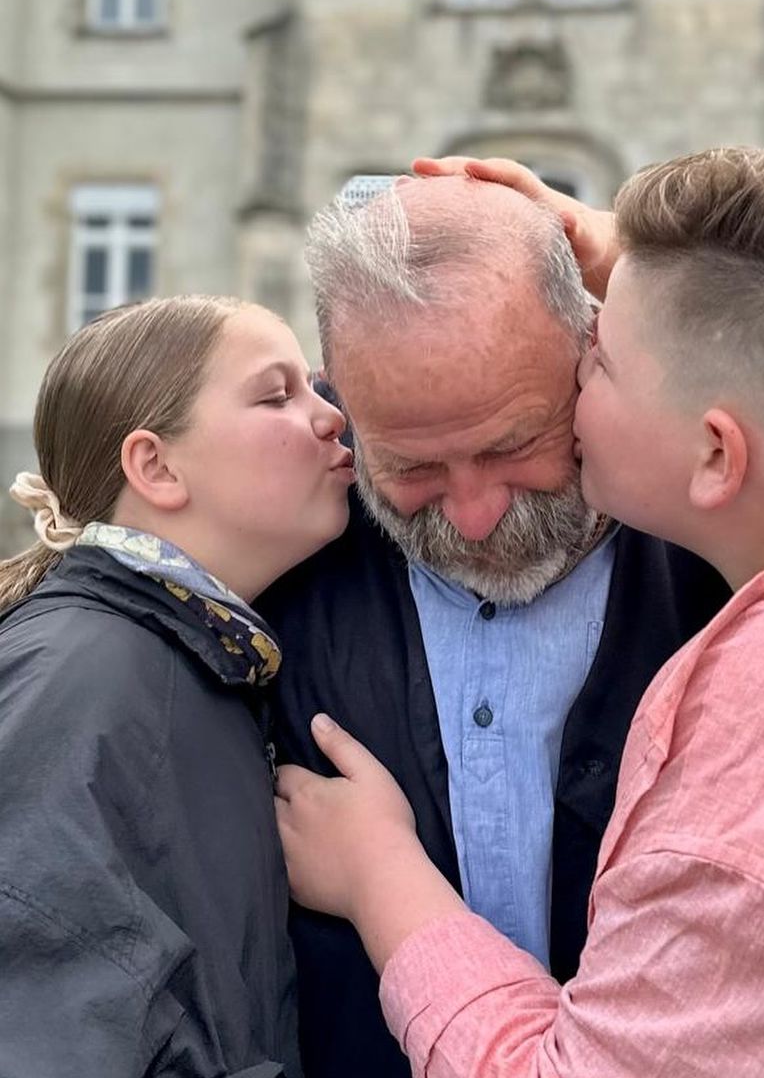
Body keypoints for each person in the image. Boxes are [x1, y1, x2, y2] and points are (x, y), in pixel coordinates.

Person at [276, 147, 764, 1077]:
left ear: (715, 452)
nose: (476, 512)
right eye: (412, 467)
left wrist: (383, 878)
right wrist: (669, 275)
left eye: (599, 367)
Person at [258, 175, 730, 1077]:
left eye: (514, 446)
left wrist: (669, 284)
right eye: (409, 467)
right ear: (338, 404)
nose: (472, 516)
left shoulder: (742, 530)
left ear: (597, 351)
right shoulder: (263, 559)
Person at [0, 295, 355, 1077]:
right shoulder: (80, 674)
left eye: (315, 385)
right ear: (156, 466)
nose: (330, 416)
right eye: (277, 395)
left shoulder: (187, 656)